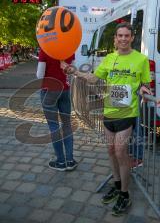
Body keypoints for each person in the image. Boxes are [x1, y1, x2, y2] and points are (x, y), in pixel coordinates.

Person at [75, 22, 151, 215]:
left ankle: (125, 194)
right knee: (110, 151)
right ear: (115, 39)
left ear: (132, 38)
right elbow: (94, 78)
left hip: (127, 113)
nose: (123, 39)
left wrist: (144, 89)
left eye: (127, 36)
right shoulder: (109, 58)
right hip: (108, 112)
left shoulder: (141, 59)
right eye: (120, 36)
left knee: (120, 152)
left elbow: (145, 83)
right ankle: (117, 185)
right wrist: (74, 72)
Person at [36, 48, 78, 171]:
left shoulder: (45, 50)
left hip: (49, 91)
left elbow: (40, 75)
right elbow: (72, 71)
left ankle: (60, 162)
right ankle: (70, 161)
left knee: (54, 126)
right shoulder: (69, 49)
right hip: (64, 89)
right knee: (67, 125)